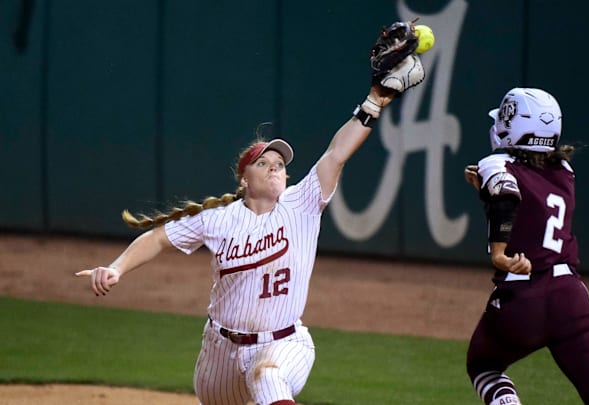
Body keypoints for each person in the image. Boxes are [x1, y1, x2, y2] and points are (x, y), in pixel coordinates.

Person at [75, 28, 426, 404]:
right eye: (265, 163)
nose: (276, 168)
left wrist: (373, 102)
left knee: (268, 377)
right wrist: (116, 268)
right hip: (219, 352)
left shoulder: (302, 203)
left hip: (285, 343)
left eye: (280, 164)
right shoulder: (218, 219)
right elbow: (159, 237)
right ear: (245, 179)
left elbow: (337, 153)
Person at [463, 88, 589, 405]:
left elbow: (507, 194)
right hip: (570, 298)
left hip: (521, 300)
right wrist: (483, 188)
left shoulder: (497, 163)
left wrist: (499, 253)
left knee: (483, 366)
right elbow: (531, 201)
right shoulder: (564, 171)